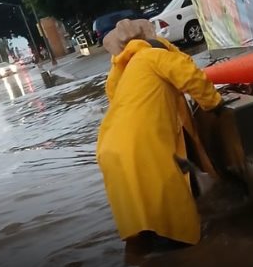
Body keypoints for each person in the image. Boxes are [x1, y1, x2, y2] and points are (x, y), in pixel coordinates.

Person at [95, 18, 224, 247]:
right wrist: (213, 103)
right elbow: (190, 74)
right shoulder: (152, 55)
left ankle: (149, 252)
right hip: (141, 145)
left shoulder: (119, 72)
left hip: (109, 148)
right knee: (174, 215)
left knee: (140, 217)